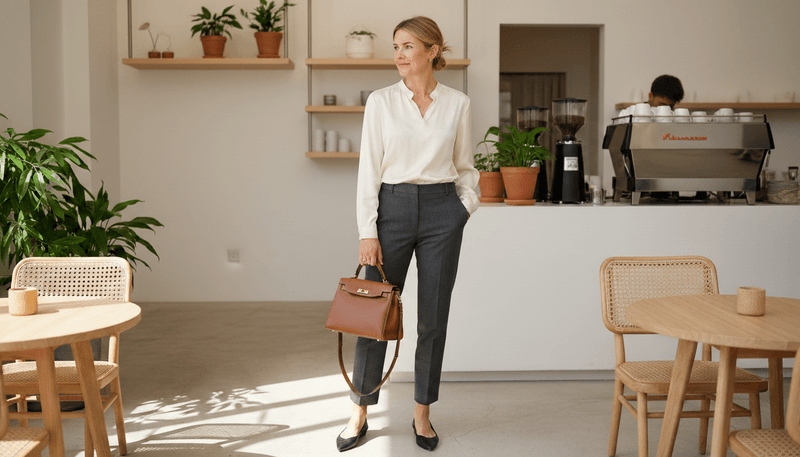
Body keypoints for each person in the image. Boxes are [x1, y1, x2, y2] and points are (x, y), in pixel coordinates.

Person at [336, 16, 479, 453]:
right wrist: (367, 231)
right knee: (373, 314)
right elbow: (368, 171)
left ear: (432, 51)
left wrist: (462, 208)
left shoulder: (457, 103)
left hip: (441, 210)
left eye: (408, 46)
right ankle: (360, 409)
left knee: (433, 318)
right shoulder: (381, 102)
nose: (398, 54)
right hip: (392, 210)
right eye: (395, 46)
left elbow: (466, 166)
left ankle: (422, 411)